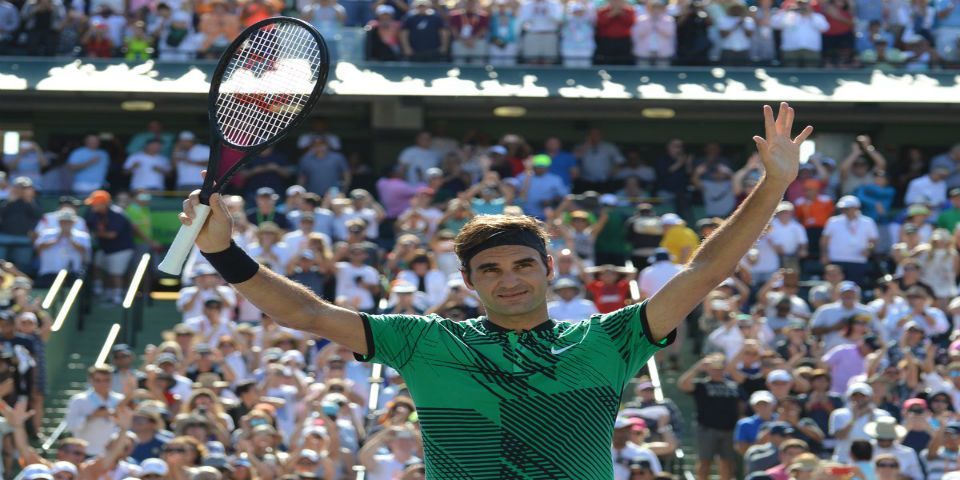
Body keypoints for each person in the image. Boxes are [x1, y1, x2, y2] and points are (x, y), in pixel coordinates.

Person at [175, 103, 813, 478]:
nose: (509, 279)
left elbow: (703, 273)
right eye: (490, 270)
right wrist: (224, 252)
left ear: (549, 268)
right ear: (468, 281)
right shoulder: (424, 342)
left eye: (522, 265)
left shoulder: (608, 340)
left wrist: (774, 185)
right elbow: (307, 313)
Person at [83, 190, 135, 304]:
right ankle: (101, 291)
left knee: (115, 273)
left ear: (103, 204)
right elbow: (87, 226)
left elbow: (112, 234)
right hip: (105, 249)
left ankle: (117, 297)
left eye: (95, 203)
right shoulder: (94, 214)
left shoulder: (117, 214)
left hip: (121, 249)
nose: (92, 206)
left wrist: (94, 233)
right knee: (97, 266)